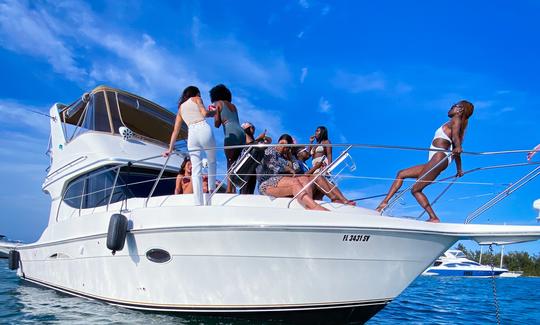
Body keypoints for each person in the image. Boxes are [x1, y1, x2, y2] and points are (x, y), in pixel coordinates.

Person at [375, 100, 474, 222]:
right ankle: (384, 203)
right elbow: (455, 148)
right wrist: (459, 168)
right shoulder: (453, 122)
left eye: (454, 105)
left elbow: (455, 142)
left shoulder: (456, 120)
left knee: (416, 189)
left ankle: (433, 218)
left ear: (460, 110)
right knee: (401, 173)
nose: (451, 107)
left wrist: (459, 148)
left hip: (439, 157)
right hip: (436, 158)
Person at [164, 86, 216, 206]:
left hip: (191, 134)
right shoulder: (196, 98)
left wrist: (170, 149)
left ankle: (198, 202)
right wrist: (214, 112)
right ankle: (211, 194)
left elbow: (175, 131)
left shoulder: (181, 109)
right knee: (211, 160)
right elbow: (205, 113)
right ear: (196, 93)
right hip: (203, 128)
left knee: (196, 170)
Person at [256, 134, 328, 211]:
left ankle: (306, 206)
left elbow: (297, 170)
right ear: (278, 142)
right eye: (281, 143)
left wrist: (291, 156)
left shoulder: (286, 157)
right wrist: (287, 169)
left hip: (282, 181)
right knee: (295, 182)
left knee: (305, 179)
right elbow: (271, 165)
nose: (282, 147)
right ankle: (313, 207)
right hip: (267, 182)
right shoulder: (270, 150)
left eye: (286, 146)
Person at [210, 84, 246, 193]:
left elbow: (217, 124)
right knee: (236, 162)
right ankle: (234, 188)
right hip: (241, 132)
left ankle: (230, 189)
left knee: (229, 162)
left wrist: (213, 112)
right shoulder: (233, 106)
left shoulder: (218, 104)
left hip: (231, 131)